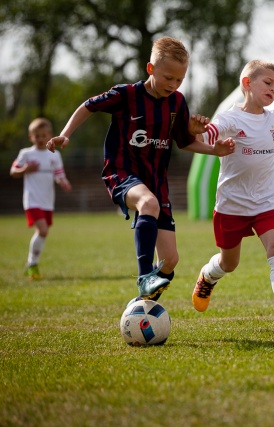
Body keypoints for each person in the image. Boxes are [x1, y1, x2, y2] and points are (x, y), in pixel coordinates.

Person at [46, 37, 235, 304]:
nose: (173, 85)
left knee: (170, 261)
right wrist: (65, 135)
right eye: (168, 77)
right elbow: (88, 106)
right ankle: (144, 276)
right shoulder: (126, 95)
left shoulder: (178, 103)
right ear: (150, 69)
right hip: (121, 172)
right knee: (147, 202)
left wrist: (214, 150)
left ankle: (143, 306)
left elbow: (186, 141)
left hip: (157, 181)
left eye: (179, 80)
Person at [191, 60, 274, 335]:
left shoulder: (273, 118)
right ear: (247, 83)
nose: (273, 89)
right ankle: (208, 276)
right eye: (268, 83)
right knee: (230, 263)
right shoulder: (229, 118)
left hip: (268, 199)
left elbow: (270, 141)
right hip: (232, 203)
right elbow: (209, 133)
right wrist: (196, 129)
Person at [10, 118, 72, 279]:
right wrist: (25, 169)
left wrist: (63, 182)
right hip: (32, 200)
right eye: (36, 136)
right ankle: (32, 263)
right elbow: (13, 171)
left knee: (43, 232)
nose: (40, 139)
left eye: (43, 135)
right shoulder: (26, 154)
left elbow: (59, 175)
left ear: (50, 136)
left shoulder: (55, 155)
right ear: (31, 137)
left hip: (47, 201)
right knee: (42, 230)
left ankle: (32, 264)